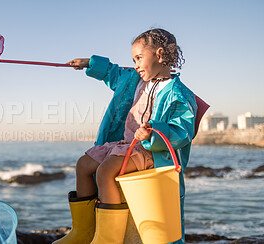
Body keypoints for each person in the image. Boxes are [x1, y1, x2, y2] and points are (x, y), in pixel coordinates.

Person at [54, 28, 197, 244]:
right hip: (124, 146)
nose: (136, 64)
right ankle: (83, 231)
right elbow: (113, 72)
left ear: (159, 55)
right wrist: (89, 63)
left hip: (150, 151)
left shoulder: (179, 94)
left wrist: (152, 132)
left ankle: (107, 238)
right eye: (134, 59)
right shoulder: (134, 80)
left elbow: (182, 131)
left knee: (105, 171)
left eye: (139, 58)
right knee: (83, 164)